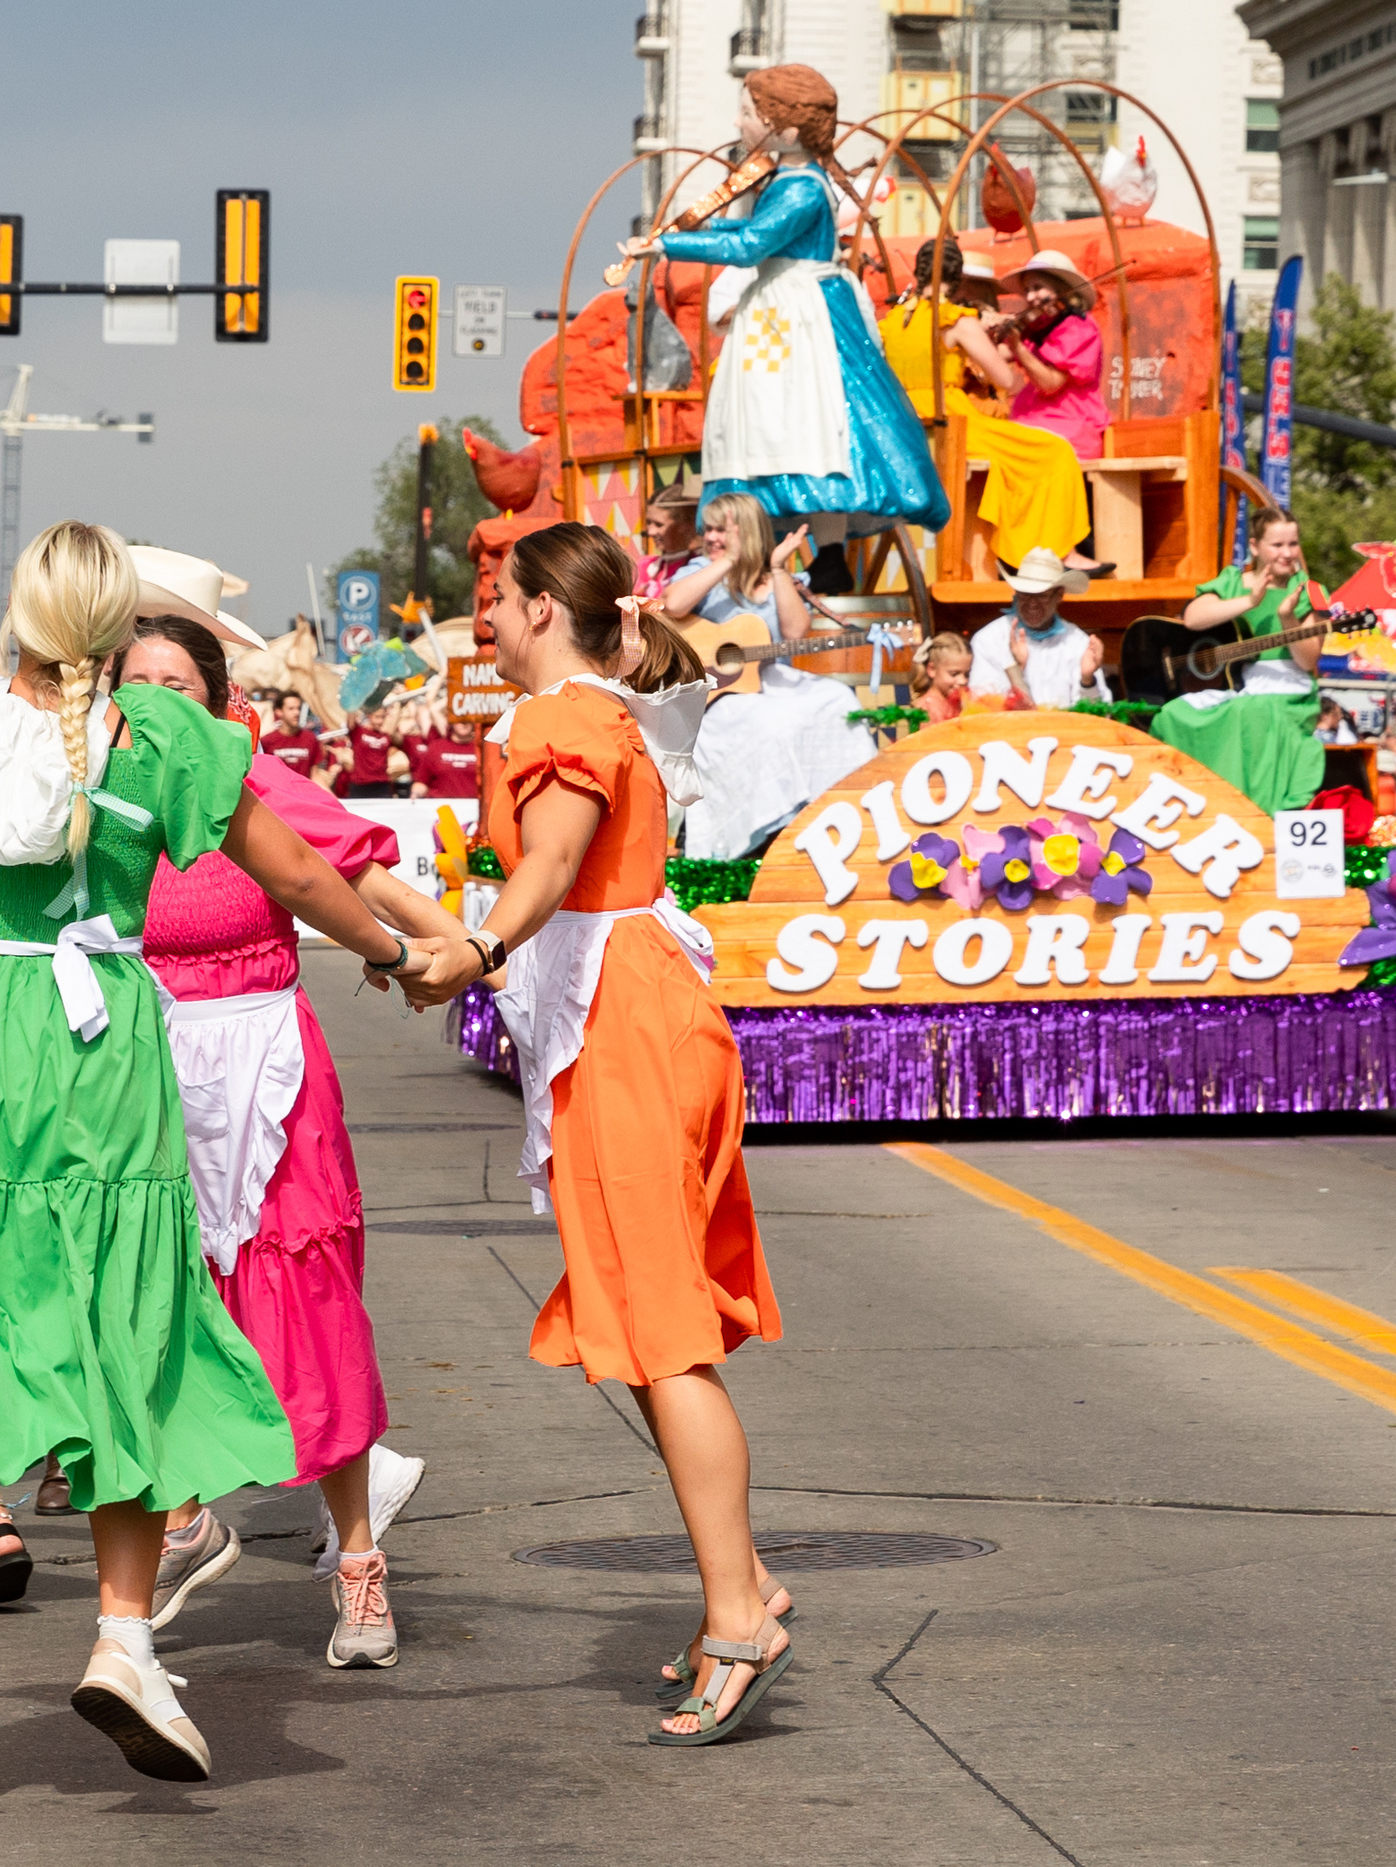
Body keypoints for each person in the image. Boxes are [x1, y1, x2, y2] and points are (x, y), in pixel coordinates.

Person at [0, 519, 430, 1799]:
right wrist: (391, 959)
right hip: (96, 1050)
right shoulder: (162, 738)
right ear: (116, 626)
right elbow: (299, 871)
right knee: (128, 1342)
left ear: (14, 614)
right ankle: (120, 1639)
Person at [396, 521, 789, 1748]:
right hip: (626, 1017)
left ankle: (741, 1615)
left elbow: (557, 859)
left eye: (494, 600)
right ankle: (747, 1582)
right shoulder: (594, 709)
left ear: (542, 611)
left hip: (625, 1029)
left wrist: (477, 946)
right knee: (654, 1329)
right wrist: (443, 940)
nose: (481, 621)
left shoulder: (565, 717)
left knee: (666, 1336)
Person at [112, 583, 462, 1663]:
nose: (157, 705)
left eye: (177, 684)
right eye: (138, 689)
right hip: (147, 1066)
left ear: (218, 704)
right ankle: (181, 1516)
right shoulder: (103, 793)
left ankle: (358, 1563)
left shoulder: (248, 778)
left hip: (269, 1064)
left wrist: (447, 947)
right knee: (156, 1298)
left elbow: (340, 873)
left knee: (309, 1303)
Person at [619, 63, 947, 534]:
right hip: (787, 302)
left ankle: (818, 537)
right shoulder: (791, 182)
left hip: (798, 311)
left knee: (802, 412)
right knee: (779, 413)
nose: (739, 122)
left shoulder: (801, 188)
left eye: (749, 113)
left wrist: (667, 245)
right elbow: (754, 232)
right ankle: (786, 530)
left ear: (788, 129)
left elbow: (751, 245)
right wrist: (709, 226)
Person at [677, 493, 882, 859]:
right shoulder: (699, 570)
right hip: (719, 694)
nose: (710, 537)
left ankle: (846, 801)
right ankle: (769, 822)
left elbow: (794, 632)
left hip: (769, 681)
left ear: (748, 531)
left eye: (720, 530)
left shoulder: (779, 577)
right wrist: (728, 559)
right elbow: (674, 604)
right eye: (707, 529)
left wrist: (777, 569)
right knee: (774, 722)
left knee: (840, 700)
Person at [876, 232, 1090, 574]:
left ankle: (1020, 545)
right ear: (956, 278)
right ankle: (1050, 550)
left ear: (917, 275)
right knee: (1055, 452)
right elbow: (1004, 380)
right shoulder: (956, 320)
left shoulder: (892, 322)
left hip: (906, 425)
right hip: (953, 422)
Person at [1148, 516, 1327, 815]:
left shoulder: (1307, 591)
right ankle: (1188, 803)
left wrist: (1287, 618)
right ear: (1255, 547)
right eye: (1278, 544)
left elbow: (1308, 659)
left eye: (1293, 544)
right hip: (1238, 687)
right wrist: (1250, 601)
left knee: (1253, 713)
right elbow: (1193, 618)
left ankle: (1246, 812)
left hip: (1288, 694)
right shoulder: (1232, 582)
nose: (1287, 553)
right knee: (1173, 714)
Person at [992, 249, 1108, 462]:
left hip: (1070, 426)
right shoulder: (1038, 328)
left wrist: (1019, 348)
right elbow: (997, 355)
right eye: (1026, 290)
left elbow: (1050, 384)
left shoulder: (1078, 327)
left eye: (1037, 288)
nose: (1029, 297)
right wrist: (981, 332)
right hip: (1036, 422)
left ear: (1061, 289)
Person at [966, 546, 1108, 710]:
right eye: (1025, 594)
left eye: (1041, 595)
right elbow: (981, 710)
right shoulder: (989, 639)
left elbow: (1098, 718)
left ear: (1059, 595)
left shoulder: (1078, 643)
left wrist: (1087, 680)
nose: (1032, 603)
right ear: (1016, 592)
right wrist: (1017, 670)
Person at [634, 477, 702, 603]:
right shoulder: (645, 566)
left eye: (659, 525)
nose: (650, 532)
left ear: (686, 525)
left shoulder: (698, 567)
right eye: (648, 523)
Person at [258, 690, 327, 782]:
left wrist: (330, 796)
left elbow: (315, 775)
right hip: (279, 793)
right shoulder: (266, 741)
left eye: (298, 708)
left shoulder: (310, 738)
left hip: (303, 793)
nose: (297, 713)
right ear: (279, 712)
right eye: (291, 709)